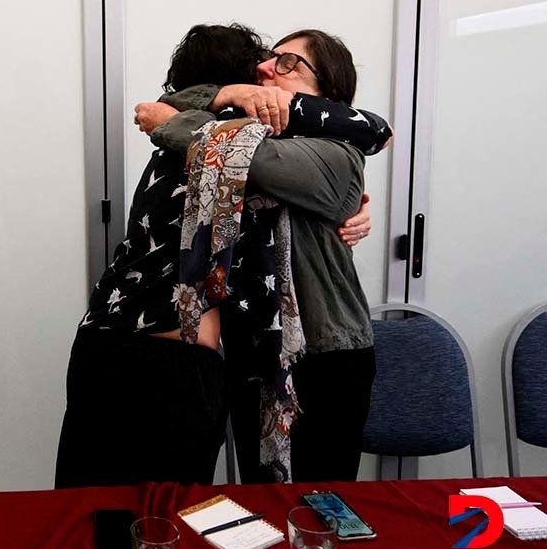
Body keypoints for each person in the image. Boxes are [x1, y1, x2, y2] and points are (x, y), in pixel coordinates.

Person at [55, 24, 390, 488]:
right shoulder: (246, 138)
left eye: (289, 63)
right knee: (255, 504)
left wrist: (173, 118)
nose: (268, 69)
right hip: (237, 351)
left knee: (317, 505)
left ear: (328, 89)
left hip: (323, 352)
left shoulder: (332, 153)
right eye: (267, 62)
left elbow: (233, 148)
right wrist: (221, 96)